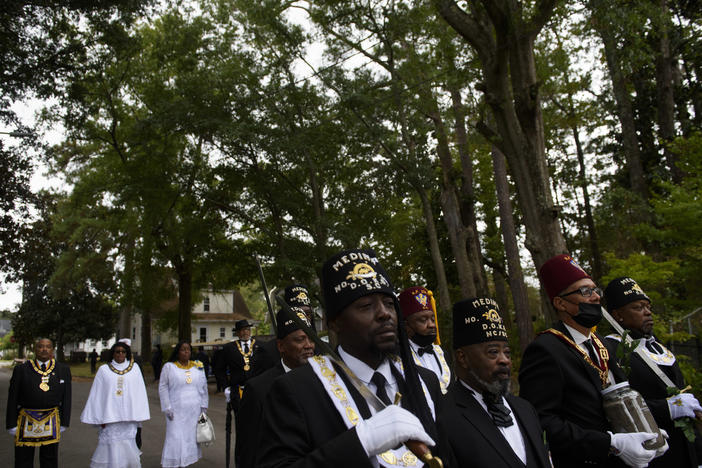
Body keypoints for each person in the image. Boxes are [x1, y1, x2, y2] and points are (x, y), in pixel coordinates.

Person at [258, 248, 445, 468]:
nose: (384, 313)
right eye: (366, 306)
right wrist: (361, 442)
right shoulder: (297, 390)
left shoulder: (426, 381)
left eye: (389, 303)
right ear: (335, 323)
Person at [519, 254, 664, 468]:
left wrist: (647, 429)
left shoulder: (601, 344)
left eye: (596, 290)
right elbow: (542, 421)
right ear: (561, 303)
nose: (596, 297)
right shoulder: (546, 349)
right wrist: (611, 443)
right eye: (585, 292)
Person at [438, 297, 550, 467]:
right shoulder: (443, 416)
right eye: (493, 352)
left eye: (507, 352)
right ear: (463, 357)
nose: (505, 360)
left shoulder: (525, 409)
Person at [604, 276, 702, 467]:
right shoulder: (613, 351)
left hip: (685, 451)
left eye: (648, 307)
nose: (648, 312)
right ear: (617, 315)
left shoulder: (658, 347)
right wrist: (667, 408)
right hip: (652, 453)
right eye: (638, 307)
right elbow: (617, 409)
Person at [235, 306, 315, 468]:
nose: (309, 345)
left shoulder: (325, 382)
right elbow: (248, 451)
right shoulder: (258, 390)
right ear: (281, 346)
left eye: (311, 338)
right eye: (300, 340)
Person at [80, 340, 150, 468]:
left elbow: (140, 392)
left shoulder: (134, 369)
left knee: (128, 444)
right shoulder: (104, 370)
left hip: (129, 418)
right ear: (112, 353)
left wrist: (139, 414)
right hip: (110, 417)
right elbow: (97, 394)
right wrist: (99, 417)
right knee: (111, 446)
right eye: (117, 352)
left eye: (123, 352)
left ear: (127, 353)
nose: (120, 354)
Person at [6, 338, 72, 468]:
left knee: (50, 459)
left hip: (51, 420)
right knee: (23, 459)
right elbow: (12, 398)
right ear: (35, 349)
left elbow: (67, 398)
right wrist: (11, 424)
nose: (44, 349)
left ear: (52, 350)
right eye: (40, 346)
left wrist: (64, 422)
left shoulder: (62, 369)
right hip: (26, 420)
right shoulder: (22, 369)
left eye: (48, 347)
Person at [158, 341, 208, 468]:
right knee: (175, 436)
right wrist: (167, 407)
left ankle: (186, 461)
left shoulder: (197, 366)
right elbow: (163, 387)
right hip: (176, 409)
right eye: (183, 349)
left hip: (193, 409)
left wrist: (204, 406)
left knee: (189, 437)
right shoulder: (169, 367)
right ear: (177, 352)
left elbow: (204, 387)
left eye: (188, 349)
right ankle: (174, 462)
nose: (186, 352)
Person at [250, 283, 315, 377]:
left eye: (307, 314)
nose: (304, 319)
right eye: (298, 314)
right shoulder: (267, 352)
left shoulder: (322, 350)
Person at [399, 286, 451, 394]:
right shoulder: (400, 358)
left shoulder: (443, 354)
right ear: (406, 325)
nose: (432, 325)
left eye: (432, 319)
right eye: (423, 320)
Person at [214, 319, 259, 410]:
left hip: (257, 390)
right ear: (237, 333)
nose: (245, 332)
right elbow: (219, 369)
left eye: (247, 329)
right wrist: (226, 387)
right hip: (237, 391)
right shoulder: (229, 348)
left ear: (250, 331)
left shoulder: (260, 346)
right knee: (240, 419)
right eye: (242, 330)